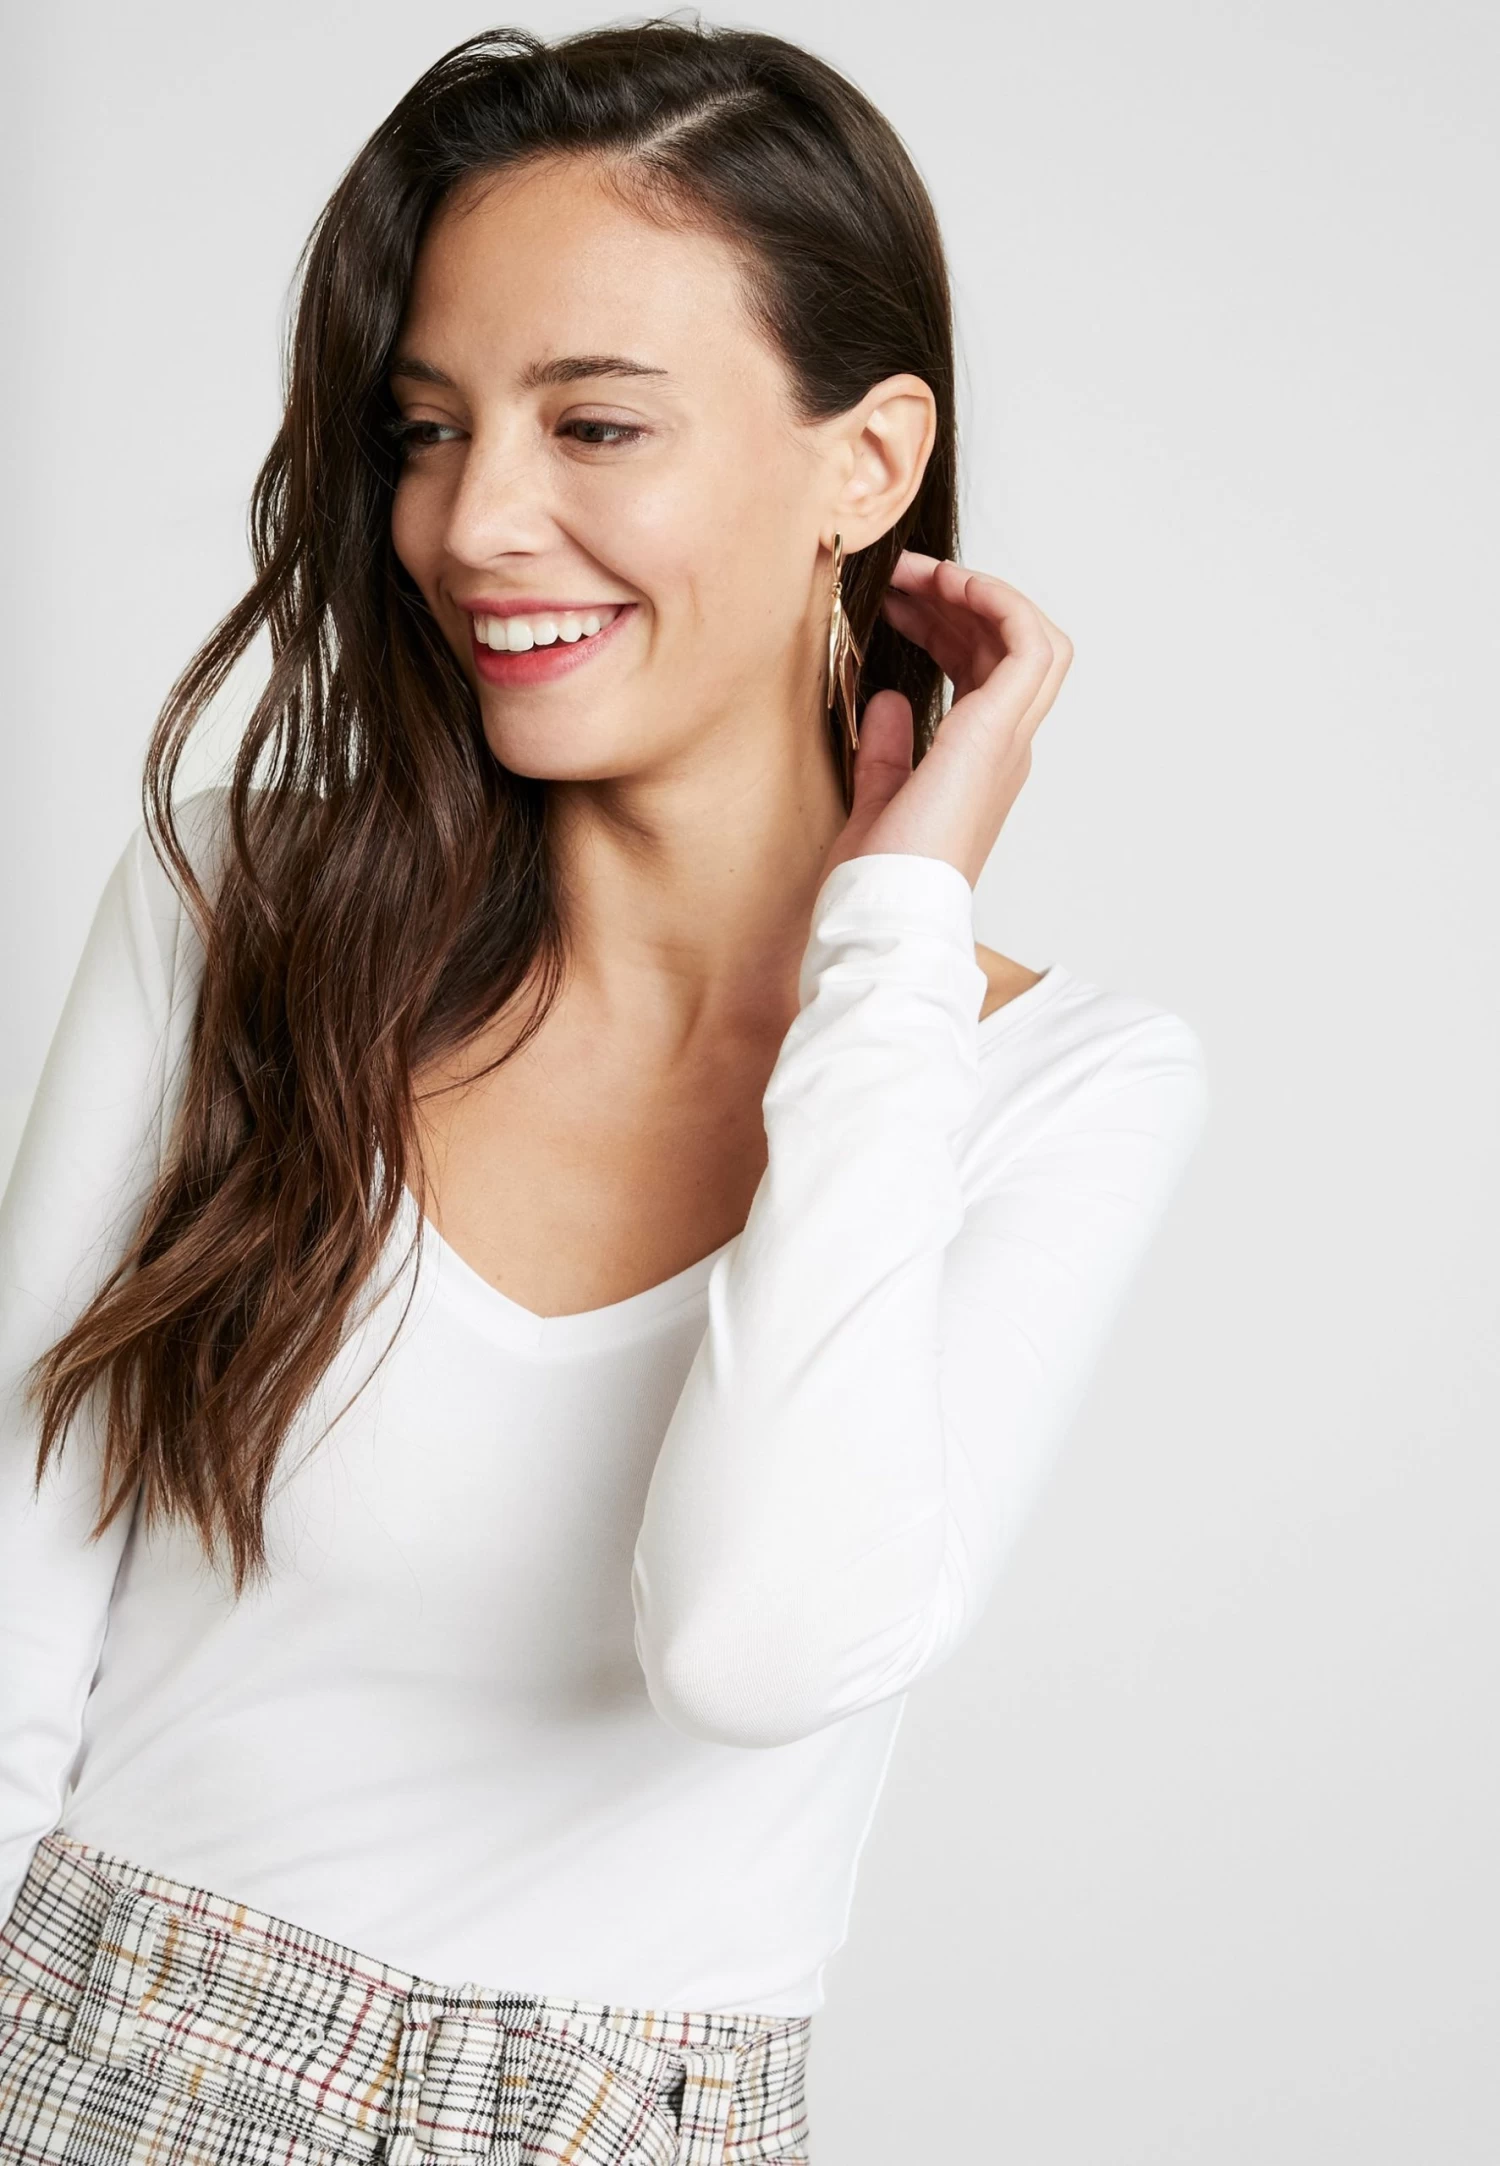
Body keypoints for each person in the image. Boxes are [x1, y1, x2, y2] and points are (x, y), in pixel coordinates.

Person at [0, 19, 1209, 2166]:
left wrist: (892, 942)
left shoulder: (1059, 1088)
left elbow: (755, 1644)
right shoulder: (231, 907)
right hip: (96, 2063)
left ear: (869, 464)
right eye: (428, 429)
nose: (475, 523)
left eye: (596, 424)